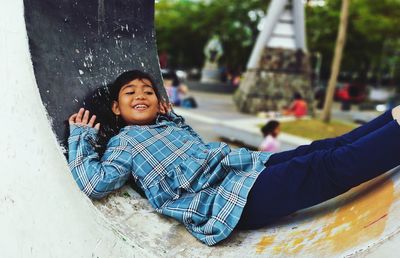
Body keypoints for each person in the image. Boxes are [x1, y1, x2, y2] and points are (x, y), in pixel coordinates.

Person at [68, 70, 400, 246]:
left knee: (319, 149)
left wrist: (168, 118)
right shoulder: (123, 143)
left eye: (148, 91)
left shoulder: (168, 126)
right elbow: (94, 183)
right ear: (115, 107)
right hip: (226, 201)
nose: (141, 95)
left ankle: (392, 119)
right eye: (130, 92)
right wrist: (82, 137)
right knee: (319, 168)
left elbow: (194, 146)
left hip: (241, 168)